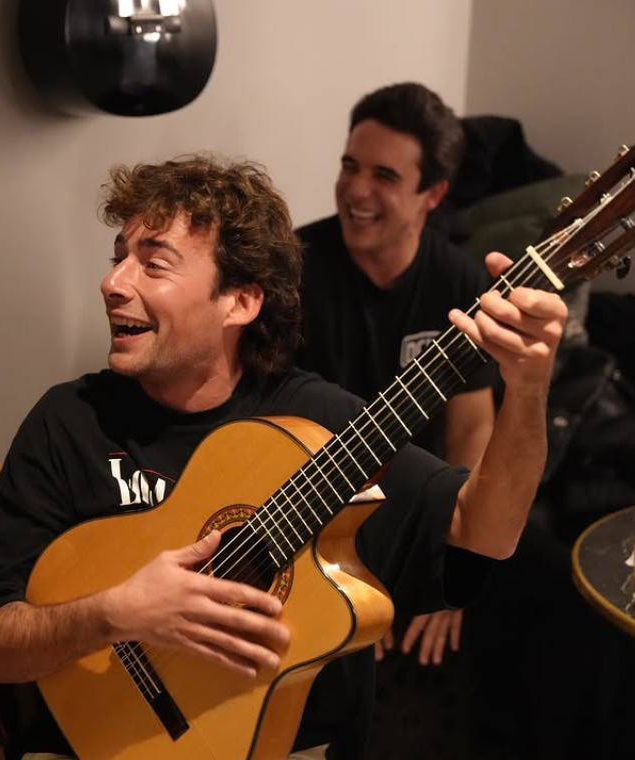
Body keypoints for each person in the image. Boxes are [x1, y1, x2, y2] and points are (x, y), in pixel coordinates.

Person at [0, 153, 566, 760]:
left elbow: (483, 531)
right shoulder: (70, 422)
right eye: (118, 258)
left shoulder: (316, 428)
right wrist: (113, 614)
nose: (114, 283)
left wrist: (526, 389)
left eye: (153, 264)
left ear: (240, 302)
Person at [295, 82, 497, 666]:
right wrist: (344, 574)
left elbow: (472, 430)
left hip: (416, 513)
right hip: (310, 516)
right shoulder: (293, 268)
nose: (356, 189)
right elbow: (266, 434)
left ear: (432, 194)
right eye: (349, 166)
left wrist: (452, 571)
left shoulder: (460, 281)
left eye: (383, 175)